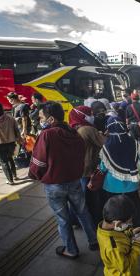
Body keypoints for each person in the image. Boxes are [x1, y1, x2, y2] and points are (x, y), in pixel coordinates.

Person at [29, 101, 98, 259]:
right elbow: (81, 156)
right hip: (74, 181)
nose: (40, 120)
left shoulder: (47, 135)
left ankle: (71, 250)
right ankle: (94, 240)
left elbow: (38, 162)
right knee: (83, 211)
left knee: (63, 219)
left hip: (54, 185)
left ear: (51, 119)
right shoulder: (75, 133)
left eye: (41, 117)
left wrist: (35, 175)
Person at [99, 117, 140, 226]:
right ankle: (137, 229)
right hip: (132, 185)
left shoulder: (107, 147)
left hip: (111, 186)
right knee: (134, 209)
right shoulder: (134, 143)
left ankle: (119, 231)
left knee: (114, 213)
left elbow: (103, 167)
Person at [98, 195, 140, 276]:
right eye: (129, 222)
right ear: (118, 223)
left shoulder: (105, 228)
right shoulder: (113, 248)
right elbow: (125, 266)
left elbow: (118, 236)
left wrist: (131, 233)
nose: (131, 224)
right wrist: (138, 244)